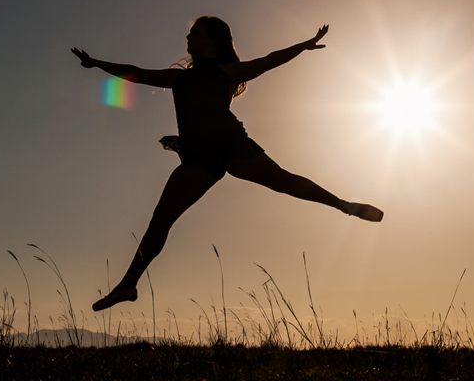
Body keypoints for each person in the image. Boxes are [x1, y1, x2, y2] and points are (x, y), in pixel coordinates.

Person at [72, 17, 383, 312]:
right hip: (199, 158)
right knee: (161, 218)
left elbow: (270, 60)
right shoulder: (179, 78)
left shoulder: (228, 71)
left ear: (212, 40)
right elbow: (135, 72)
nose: (187, 38)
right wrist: (97, 63)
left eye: (195, 33)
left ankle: (345, 206)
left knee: (283, 181)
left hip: (231, 145)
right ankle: (129, 285)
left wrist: (303, 45)